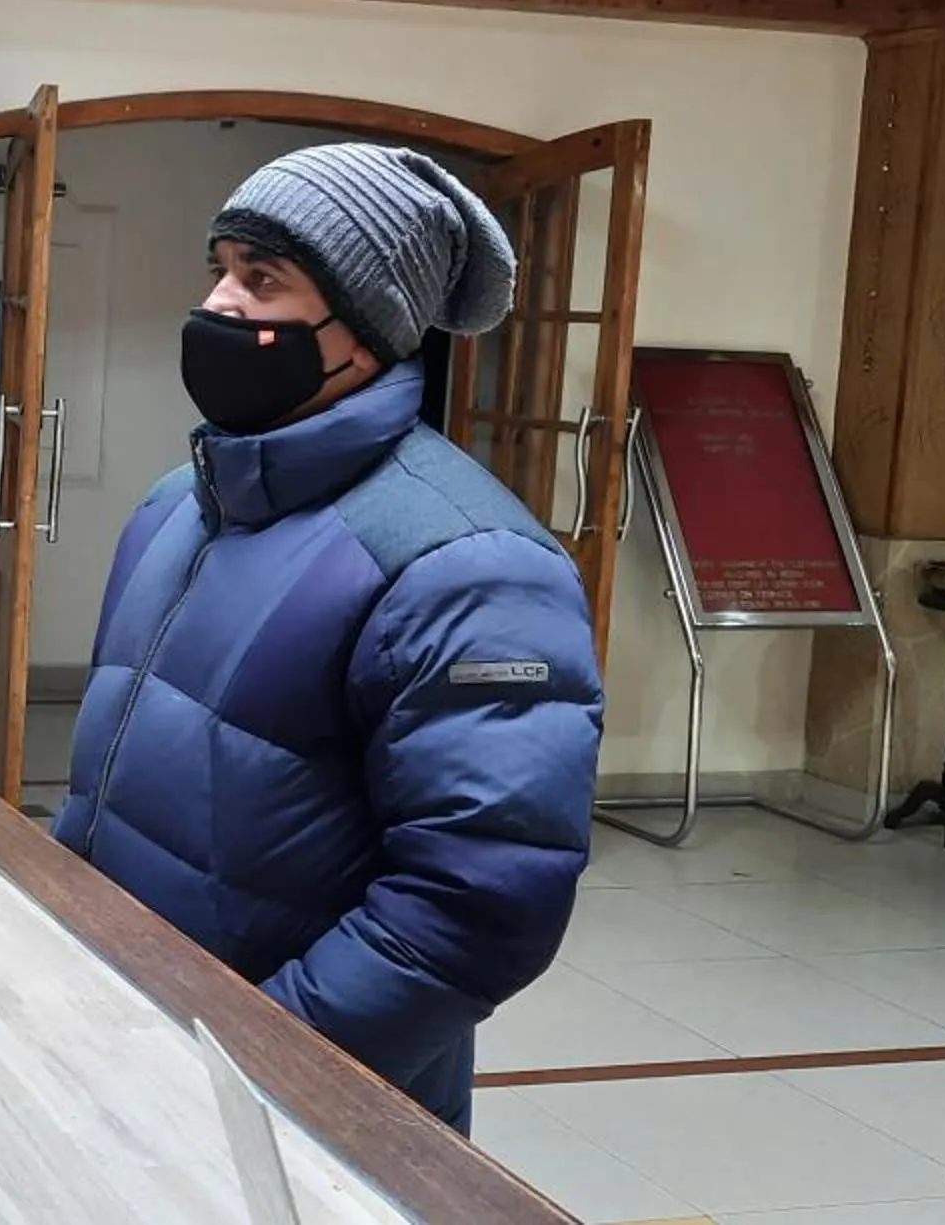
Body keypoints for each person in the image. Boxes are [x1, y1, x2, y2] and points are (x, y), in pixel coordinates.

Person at [50, 142, 601, 1135]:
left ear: (367, 329)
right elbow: (114, 785)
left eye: (264, 280)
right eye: (220, 269)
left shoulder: (469, 567)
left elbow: (475, 905)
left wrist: (262, 1068)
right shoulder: (181, 507)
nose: (221, 304)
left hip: (279, 1099)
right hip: (128, 1043)